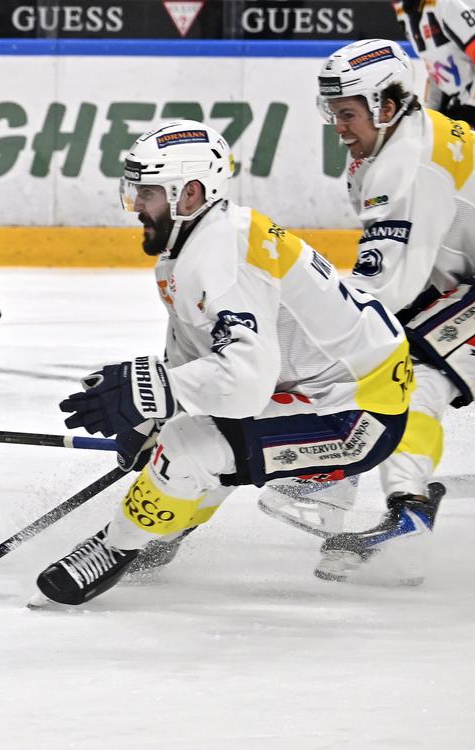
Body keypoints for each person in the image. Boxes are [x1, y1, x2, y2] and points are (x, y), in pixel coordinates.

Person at [31, 120, 414, 607]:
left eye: (147, 193)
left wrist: (151, 392)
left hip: (358, 413)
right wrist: (153, 416)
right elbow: (202, 359)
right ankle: (162, 528)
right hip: (317, 388)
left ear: (189, 193)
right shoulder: (195, 246)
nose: (137, 206)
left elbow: (245, 383)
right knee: (184, 440)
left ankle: (116, 547)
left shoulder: (220, 256)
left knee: (190, 450)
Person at [262, 38, 472, 583]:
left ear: (387, 105)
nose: (338, 126)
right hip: (459, 281)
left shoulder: (407, 167)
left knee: (409, 367)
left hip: (461, 288)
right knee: (392, 355)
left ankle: (395, 507)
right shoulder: (398, 140)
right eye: (332, 112)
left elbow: (384, 292)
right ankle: (359, 485)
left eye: (348, 113)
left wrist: (293, 344)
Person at [394, 0, 475, 125]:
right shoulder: (404, 12)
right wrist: (428, 117)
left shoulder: (446, 5)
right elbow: (436, 69)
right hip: (459, 102)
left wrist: (470, 107)